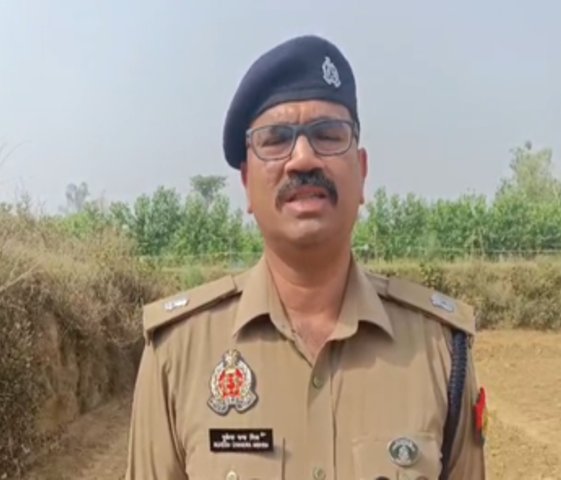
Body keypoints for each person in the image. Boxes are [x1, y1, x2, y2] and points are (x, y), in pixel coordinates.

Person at [125, 34, 487, 480]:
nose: (302, 159)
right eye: (275, 140)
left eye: (327, 135)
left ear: (362, 173)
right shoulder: (177, 353)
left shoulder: (440, 350)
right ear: (247, 186)